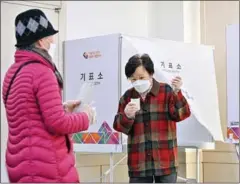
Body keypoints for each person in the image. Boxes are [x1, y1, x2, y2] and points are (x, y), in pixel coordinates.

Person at [2, 9, 95, 183]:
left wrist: (63, 108)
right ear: (40, 41)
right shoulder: (42, 72)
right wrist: (85, 117)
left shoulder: (12, 73)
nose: (52, 41)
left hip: (20, 164)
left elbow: (29, 116)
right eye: (48, 37)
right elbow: (57, 123)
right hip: (45, 167)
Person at [113, 54, 191, 183]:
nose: (137, 82)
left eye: (141, 77)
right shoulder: (127, 96)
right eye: (133, 79)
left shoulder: (166, 91)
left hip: (166, 160)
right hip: (139, 162)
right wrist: (126, 116)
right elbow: (118, 126)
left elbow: (181, 114)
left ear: (151, 73)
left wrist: (177, 93)